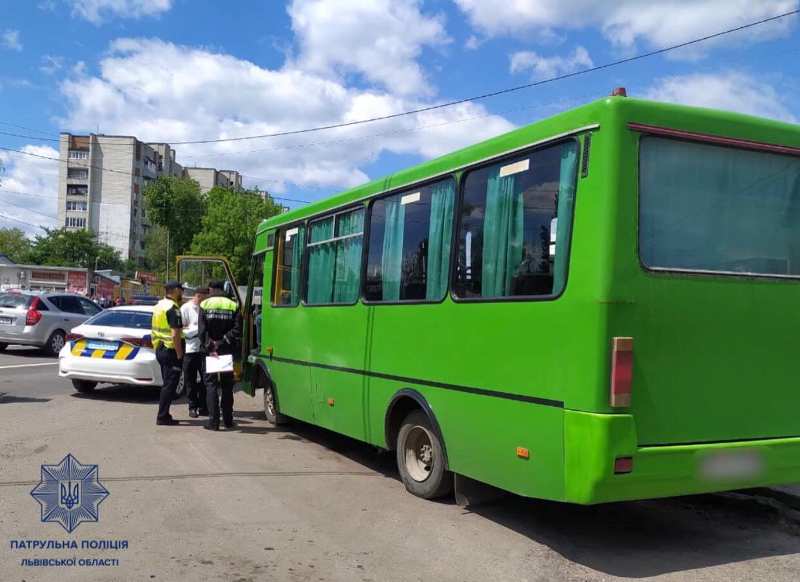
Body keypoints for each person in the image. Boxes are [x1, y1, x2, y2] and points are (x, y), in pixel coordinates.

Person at [198, 280, 241, 431]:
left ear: (210, 289)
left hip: (210, 352)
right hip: (226, 351)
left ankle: (213, 422)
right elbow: (237, 330)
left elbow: (201, 332)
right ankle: (228, 420)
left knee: (210, 385)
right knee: (227, 386)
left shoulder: (205, 305)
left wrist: (211, 345)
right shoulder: (232, 305)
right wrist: (222, 342)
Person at [151, 281, 185, 426]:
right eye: (181, 289)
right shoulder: (173, 308)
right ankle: (162, 416)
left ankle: (164, 414)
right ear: (175, 290)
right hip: (171, 351)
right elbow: (175, 334)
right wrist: (179, 353)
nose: (182, 292)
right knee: (170, 385)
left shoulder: (159, 305)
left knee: (167, 383)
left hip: (159, 348)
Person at [181, 287, 209, 418]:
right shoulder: (186, 308)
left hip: (204, 349)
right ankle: (192, 407)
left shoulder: (206, 308)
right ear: (198, 296)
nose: (205, 301)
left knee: (205, 380)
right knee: (190, 380)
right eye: (204, 298)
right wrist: (198, 329)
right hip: (190, 349)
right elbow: (182, 329)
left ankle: (204, 406)